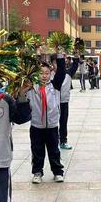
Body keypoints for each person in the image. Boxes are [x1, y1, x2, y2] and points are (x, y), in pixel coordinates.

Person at [28, 55, 66, 184]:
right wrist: (36, 54)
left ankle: (57, 172)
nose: (44, 76)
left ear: (51, 74)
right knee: (37, 150)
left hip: (52, 125)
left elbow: (61, 71)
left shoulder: (55, 86)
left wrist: (60, 55)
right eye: (41, 73)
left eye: (47, 73)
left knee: (54, 150)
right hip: (36, 125)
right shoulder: (32, 86)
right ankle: (37, 172)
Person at [59, 55, 79, 150]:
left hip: (64, 102)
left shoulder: (68, 73)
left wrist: (76, 55)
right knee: (52, 123)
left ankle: (63, 141)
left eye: (65, 59)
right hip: (52, 103)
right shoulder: (50, 74)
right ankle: (53, 141)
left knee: (63, 122)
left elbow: (75, 65)